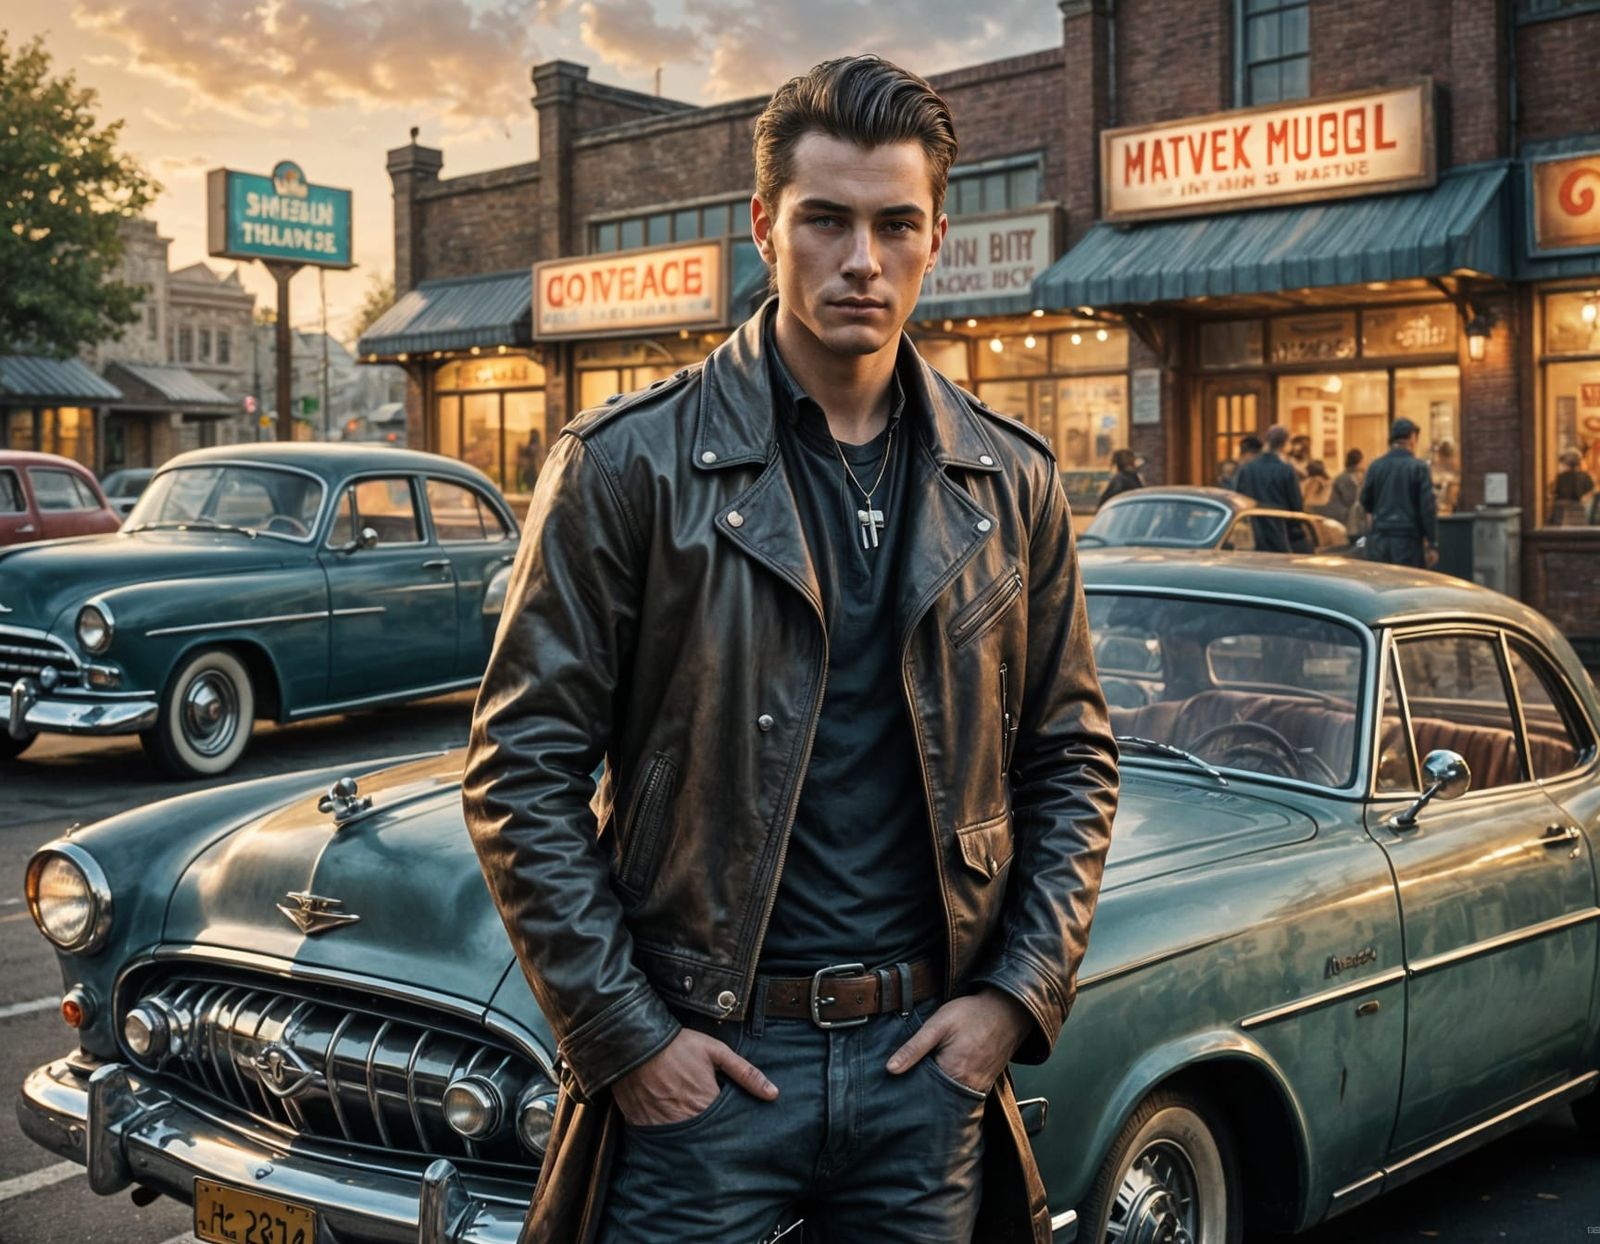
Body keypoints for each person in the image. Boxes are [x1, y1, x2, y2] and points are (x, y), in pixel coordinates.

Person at [462, 55, 1120, 1244]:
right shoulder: (625, 465)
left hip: (925, 1066)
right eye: (825, 219)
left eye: (892, 223)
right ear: (764, 225)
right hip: (704, 1072)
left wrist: (1011, 1003)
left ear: (934, 236)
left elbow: (1070, 757)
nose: (859, 259)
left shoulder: (1010, 479)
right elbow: (518, 773)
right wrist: (630, 1039)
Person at [1360, 416, 1438, 567]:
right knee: (1407, 586)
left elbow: (1365, 499)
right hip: (1408, 541)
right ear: (1412, 438)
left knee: (1381, 586)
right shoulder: (1419, 467)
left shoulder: (1375, 466)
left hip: (1379, 540)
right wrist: (1432, 543)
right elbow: (1427, 508)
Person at [1232, 424, 1306, 552]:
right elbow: (1296, 504)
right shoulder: (1286, 470)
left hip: (1252, 528)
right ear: (1285, 444)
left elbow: (1237, 497)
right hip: (1280, 528)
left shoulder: (1247, 469)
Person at [1552, 447, 1596, 525]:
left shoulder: (1561, 477)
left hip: (1565, 512)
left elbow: (1557, 492)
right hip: (1579, 509)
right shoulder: (1585, 476)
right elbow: (1592, 490)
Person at [1330, 447, 1365, 534]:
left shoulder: (1343, 477)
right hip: (1346, 518)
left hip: (1344, 516)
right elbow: (1349, 500)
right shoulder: (1346, 478)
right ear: (1359, 461)